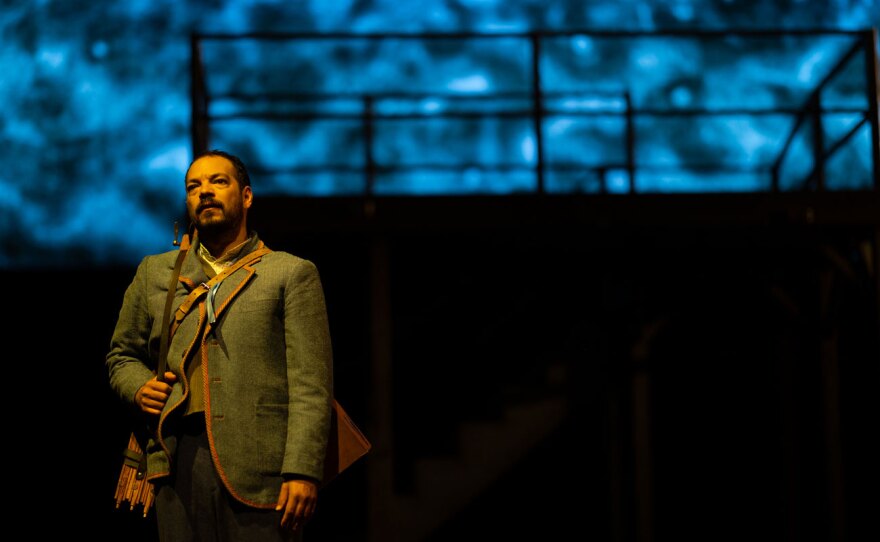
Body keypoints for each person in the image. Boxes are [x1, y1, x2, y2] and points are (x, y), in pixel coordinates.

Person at [106, 149, 334, 541]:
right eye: (193, 186)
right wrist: (139, 387)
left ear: (246, 196)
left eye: (218, 182)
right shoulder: (154, 273)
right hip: (177, 461)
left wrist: (302, 469)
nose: (204, 192)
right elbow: (121, 356)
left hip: (262, 468)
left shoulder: (290, 273)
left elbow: (311, 383)